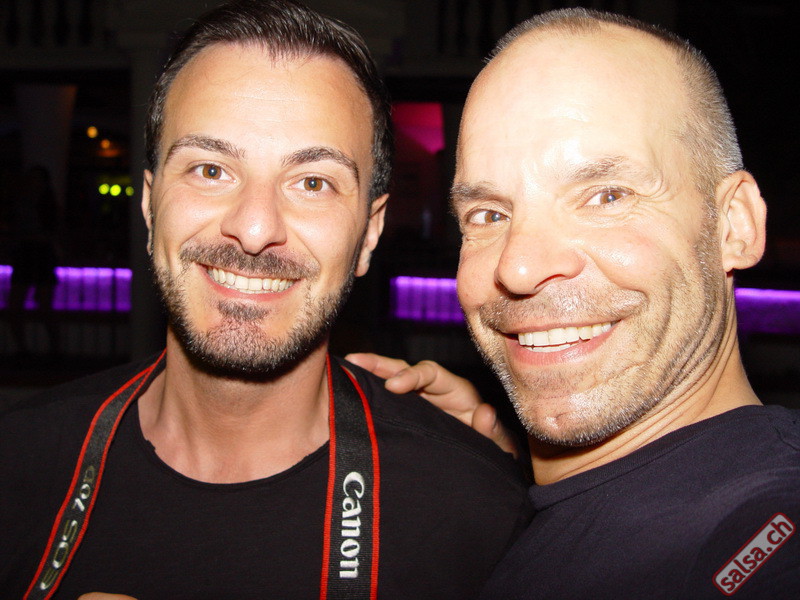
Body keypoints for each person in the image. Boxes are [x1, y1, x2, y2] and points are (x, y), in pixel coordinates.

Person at [0, 2, 529, 598]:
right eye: (210, 170)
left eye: (312, 183)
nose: (254, 230)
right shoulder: (16, 463)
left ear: (369, 233)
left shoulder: (476, 513)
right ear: (150, 207)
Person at [350, 8, 800, 599]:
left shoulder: (765, 536)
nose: (518, 267)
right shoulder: (551, 508)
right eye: (488, 214)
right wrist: (500, 474)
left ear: (733, 225)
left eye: (606, 196)